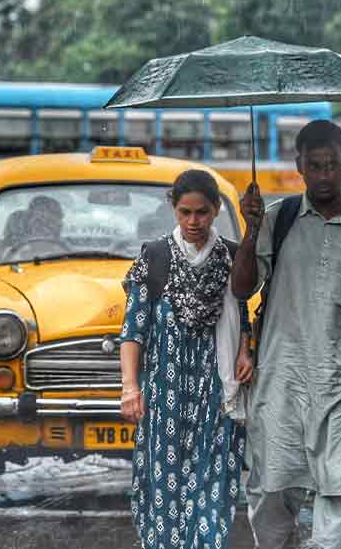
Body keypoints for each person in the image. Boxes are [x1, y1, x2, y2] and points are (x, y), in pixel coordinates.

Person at [232, 119, 341, 549]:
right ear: (299, 167)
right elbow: (242, 287)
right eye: (315, 166)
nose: (324, 175)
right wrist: (250, 232)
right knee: (272, 494)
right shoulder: (277, 219)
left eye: (331, 165)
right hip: (283, 381)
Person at [120, 169, 253, 549]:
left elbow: (241, 315)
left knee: (215, 486)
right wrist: (130, 388)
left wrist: (245, 350)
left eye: (202, 213)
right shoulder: (156, 257)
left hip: (216, 393)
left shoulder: (232, 257)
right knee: (162, 486)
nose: (194, 222)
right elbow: (134, 331)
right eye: (185, 213)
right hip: (164, 394)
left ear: (215, 211)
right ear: (174, 211)